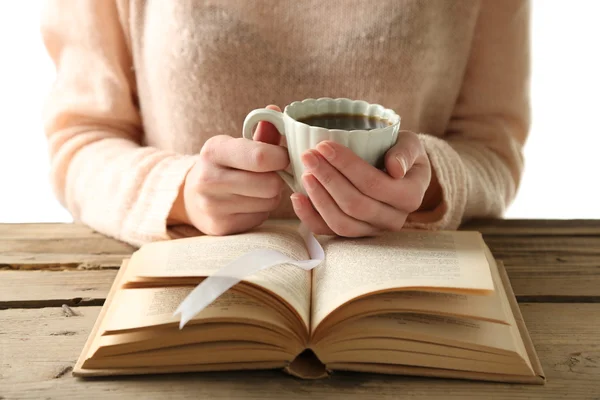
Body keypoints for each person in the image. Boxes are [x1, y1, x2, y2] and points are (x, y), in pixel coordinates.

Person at [40, 0, 530, 247]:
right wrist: (181, 192)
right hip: (192, 303)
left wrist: (430, 183)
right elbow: (79, 142)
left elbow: (493, 147)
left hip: (406, 308)